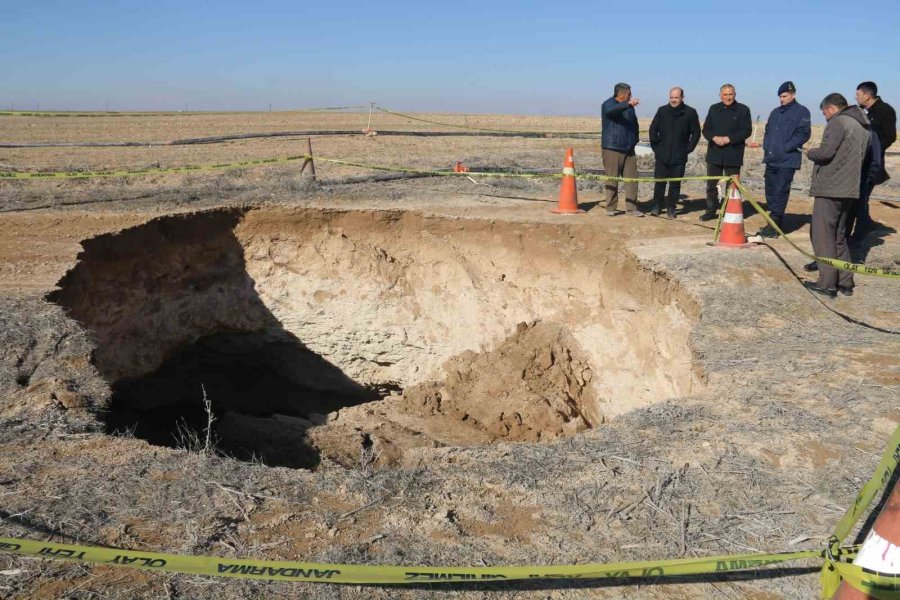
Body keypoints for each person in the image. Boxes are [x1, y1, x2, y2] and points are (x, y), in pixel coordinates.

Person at [803, 93, 870, 298]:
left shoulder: (838, 123)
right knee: (839, 236)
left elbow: (826, 152)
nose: (825, 117)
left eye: (825, 113)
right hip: (849, 188)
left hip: (831, 188)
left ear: (831, 108)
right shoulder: (861, 126)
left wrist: (809, 152)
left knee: (823, 236)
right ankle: (845, 281)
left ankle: (827, 284)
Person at [757, 81, 811, 237]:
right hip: (772, 158)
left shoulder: (802, 112)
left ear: (793, 94)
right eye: (780, 96)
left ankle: (774, 225)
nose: (782, 99)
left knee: (780, 191)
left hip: (787, 160)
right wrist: (767, 146)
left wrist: (786, 147)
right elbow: (768, 131)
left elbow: (803, 133)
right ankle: (774, 221)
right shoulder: (775, 112)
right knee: (771, 192)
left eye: (784, 96)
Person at [848, 81, 896, 242]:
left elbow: (890, 136)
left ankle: (860, 233)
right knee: (857, 200)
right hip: (857, 165)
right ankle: (864, 225)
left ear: (867, 95)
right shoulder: (861, 112)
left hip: (871, 165)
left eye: (858, 94)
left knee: (860, 199)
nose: (856, 97)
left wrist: (871, 148)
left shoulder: (885, 111)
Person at [700, 84, 753, 220]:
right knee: (712, 185)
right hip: (715, 153)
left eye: (730, 94)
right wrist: (714, 137)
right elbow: (706, 129)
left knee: (733, 185)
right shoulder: (714, 109)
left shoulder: (743, 110)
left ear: (735, 94)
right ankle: (711, 210)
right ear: (720, 95)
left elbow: (746, 131)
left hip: (733, 153)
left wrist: (729, 139)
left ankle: (731, 212)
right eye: (725, 95)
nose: (728, 97)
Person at [648, 87, 702, 219]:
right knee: (659, 182)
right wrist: (657, 148)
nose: (673, 100)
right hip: (662, 155)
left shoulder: (690, 112)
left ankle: (671, 208)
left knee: (675, 184)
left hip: (679, 156)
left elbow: (696, 133)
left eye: (676, 97)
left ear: (682, 98)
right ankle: (657, 206)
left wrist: (688, 149)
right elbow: (653, 130)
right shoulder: (662, 111)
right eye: (671, 97)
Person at [601, 83, 643, 216]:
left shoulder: (629, 107)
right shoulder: (608, 104)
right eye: (629, 94)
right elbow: (611, 112)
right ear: (621, 94)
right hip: (613, 147)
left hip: (629, 148)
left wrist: (635, 139)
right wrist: (628, 104)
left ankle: (632, 208)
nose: (630, 96)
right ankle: (611, 208)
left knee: (632, 179)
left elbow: (634, 123)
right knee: (612, 178)